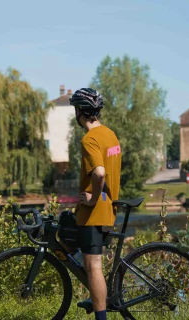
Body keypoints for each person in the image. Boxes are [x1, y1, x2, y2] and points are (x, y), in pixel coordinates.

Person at [69, 88, 122, 320]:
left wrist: (91, 198)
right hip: (109, 207)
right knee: (86, 259)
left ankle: (101, 317)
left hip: (94, 210)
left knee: (94, 267)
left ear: (80, 112)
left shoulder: (89, 138)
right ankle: (96, 295)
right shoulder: (110, 135)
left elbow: (99, 173)